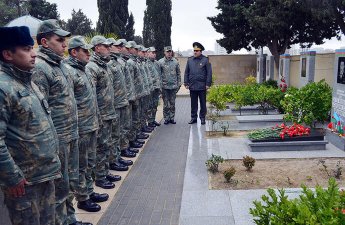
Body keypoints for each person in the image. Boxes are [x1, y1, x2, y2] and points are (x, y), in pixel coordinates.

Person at [0, 26, 60, 225]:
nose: (34, 54)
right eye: (26, 49)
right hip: (25, 182)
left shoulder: (28, 81)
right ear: (7, 54)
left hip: (44, 175)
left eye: (32, 48)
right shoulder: (4, 87)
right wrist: (12, 176)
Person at [32, 19, 80, 225]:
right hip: (57, 138)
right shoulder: (41, 68)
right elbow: (41, 111)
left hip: (70, 134)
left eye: (65, 40)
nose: (64, 45)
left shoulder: (60, 65)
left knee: (68, 183)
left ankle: (69, 218)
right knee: (59, 188)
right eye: (59, 40)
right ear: (44, 42)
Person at [65, 36, 111, 219]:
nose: (88, 53)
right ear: (74, 52)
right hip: (81, 128)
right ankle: (83, 198)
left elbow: (91, 99)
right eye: (85, 51)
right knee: (82, 165)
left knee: (89, 162)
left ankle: (89, 192)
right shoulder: (70, 71)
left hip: (91, 124)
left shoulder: (82, 70)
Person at [85, 36, 117, 190]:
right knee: (100, 146)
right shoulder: (92, 67)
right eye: (106, 46)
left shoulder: (104, 65)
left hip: (108, 112)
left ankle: (105, 171)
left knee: (106, 144)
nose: (109, 48)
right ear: (97, 48)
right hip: (101, 115)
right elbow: (91, 94)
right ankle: (100, 177)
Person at [184, 42, 212, 125]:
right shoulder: (190, 60)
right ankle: (193, 118)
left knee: (203, 103)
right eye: (194, 50)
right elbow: (186, 72)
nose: (195, 52)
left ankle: (202, 117)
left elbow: (209, 73)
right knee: (193, 104)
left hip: (202, 86)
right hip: (192, 85)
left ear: (201, 51)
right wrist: (186, 82)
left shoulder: (205, 60)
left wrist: (208, 84)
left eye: (197, 50)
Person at [158, 46, 181, 125]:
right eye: (167, 52)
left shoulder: (175, 62)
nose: (169, 53)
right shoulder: (160, 62)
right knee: (166, 104)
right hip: (164, 87)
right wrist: (160, 87)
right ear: (164, 52)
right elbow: (159, 75)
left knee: (172, 104)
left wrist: (179, 85)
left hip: (173, 87)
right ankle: (166, 118)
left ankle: (172, 118)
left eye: (170, 52)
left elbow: (178, 74)